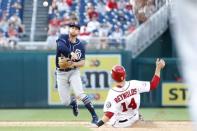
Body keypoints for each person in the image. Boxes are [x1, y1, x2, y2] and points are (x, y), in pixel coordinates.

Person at [96, 58, 165, 128]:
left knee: (109, 111)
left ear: (113, 77)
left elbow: (109, 114)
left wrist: (98, 124)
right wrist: (158, 68)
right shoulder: (134, 84)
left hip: (120, 125)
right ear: (125, 75)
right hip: (135, 119)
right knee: (137, 115)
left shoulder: (112, 93)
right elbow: (153, 85)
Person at [55, 23, 99, 124]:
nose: (73, 29)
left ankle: (95, 116)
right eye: (71, 28)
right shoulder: (63, 38)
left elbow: (82, 62)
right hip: (61, 73)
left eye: (76, 28)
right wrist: (70, 54)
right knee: (65, 102)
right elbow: (61, 47)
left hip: (73, 72)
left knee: (80, 94)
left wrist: (72, 64)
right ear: (69, 29)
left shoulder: (80, 45)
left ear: (78, 32)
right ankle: (73, 103)